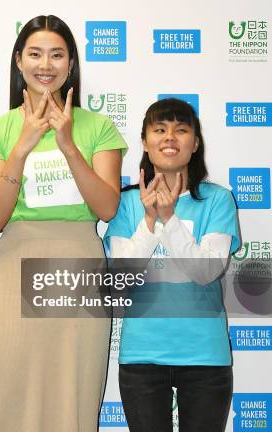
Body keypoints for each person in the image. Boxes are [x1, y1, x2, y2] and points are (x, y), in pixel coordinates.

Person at [0, 15, 127, 432]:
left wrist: (68, 145)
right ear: (19, 61)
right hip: (15, 267)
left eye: (57, 54)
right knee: (14, 391)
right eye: (35, 54)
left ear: (71, 63)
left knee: (74, 391)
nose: (46, 65)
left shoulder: (98, 127)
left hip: (80, 263)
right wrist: (21, 147)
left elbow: (107, 208)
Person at [104, 98, 240, 432]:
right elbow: (124, 277)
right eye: (160, 130)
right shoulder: (126, 201)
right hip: (142, 357)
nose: (169, 138)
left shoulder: (217, 200)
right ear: (145, 142)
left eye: (181, 130)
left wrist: (169, 218)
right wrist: (151, 221)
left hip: (205, 357)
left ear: (195, 144)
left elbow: (207, 271)